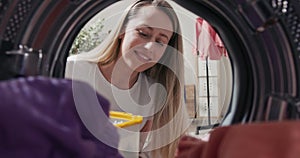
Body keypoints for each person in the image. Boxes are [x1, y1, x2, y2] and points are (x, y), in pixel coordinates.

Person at [65, 0, 189, 157]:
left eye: (160, 41)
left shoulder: (153, 95)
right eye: (143, 33)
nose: (150, 46)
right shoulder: (72, 71)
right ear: (122, 30)